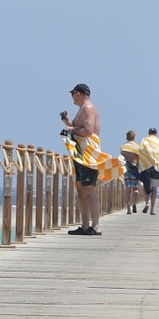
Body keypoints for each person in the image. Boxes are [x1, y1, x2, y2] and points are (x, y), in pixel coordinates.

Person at [60, 83, 102, 235]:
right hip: (80, 153)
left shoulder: (88, 108)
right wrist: (67, 122)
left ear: (78, 93)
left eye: (72, 94)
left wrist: (71, 129)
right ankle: (85, 225)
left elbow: (88, 131)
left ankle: (96, 226)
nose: (71, 97)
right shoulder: (82, 110)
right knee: (81, 189)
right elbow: (79, 129)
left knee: (89, 189)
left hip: (88, 155)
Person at [138, 127, 159, 215]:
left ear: (149, 133)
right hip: (156, 167)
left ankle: (147, 203)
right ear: (156, 133)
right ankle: (152, 209)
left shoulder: (145, 140)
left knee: (146, 185)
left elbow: (141, 151)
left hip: (146, 166)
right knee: (154, 188)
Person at [120, 130, 141, 213]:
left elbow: (122, 158)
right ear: (134, 138)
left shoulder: (123, 147)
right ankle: (134, 203)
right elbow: (140, 159)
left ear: (126, 137)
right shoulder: (137, 147)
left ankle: (128, 208)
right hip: (135, 168)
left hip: (127, 168)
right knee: (136, 188)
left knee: (128, 188)